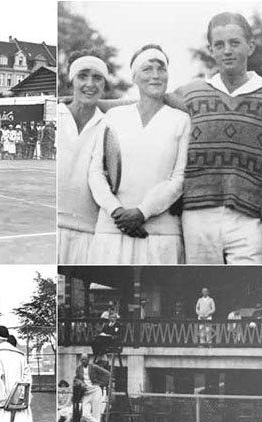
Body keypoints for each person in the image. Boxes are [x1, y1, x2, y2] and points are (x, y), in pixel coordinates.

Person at [176, 12, 262, 264]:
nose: (227, 50)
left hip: (249, 214)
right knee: (200, 279)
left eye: (234, 43)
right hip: (197, 213)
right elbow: (147, 103)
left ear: (250, 46)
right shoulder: (191, 93)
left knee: (254, 281)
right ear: (211, 50)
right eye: (219, 45)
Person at [89, 44, 191, 264]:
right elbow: (95, 171)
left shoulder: (181, 120)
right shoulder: (114, 116)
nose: (155, 75)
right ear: (135, 77)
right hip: (112, 229)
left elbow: (180, 178)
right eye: (147, 69)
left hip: (161, 233)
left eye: (161, 68)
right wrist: (117, 211)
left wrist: (142, 213)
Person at [58, 51, 109, 264]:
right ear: (72, 81)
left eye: (97, 78)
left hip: (90, 232)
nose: (90, 84)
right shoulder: (56, 117)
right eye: (83, 76)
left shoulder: (109, 124)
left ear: (104, 84)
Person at [73, 353, 109, 422]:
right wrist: (80, 382)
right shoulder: (78, 369)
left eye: (85, 359)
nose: (83, 361)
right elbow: (76, 379)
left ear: (88, 360)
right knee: (85, 414)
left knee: (96, 414)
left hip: (96, 390)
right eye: (82, 359)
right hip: (86, 393)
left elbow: (107, 374)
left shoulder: (94, 367)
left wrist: (101, 383)